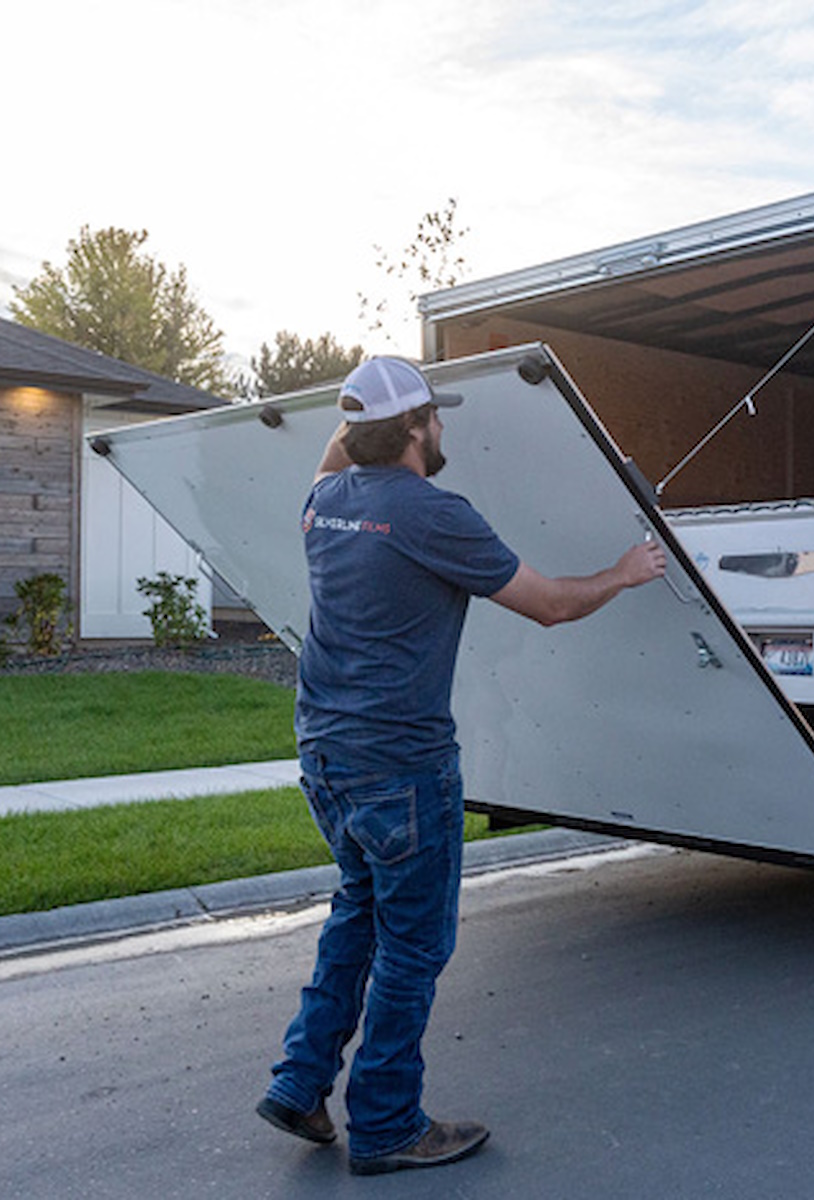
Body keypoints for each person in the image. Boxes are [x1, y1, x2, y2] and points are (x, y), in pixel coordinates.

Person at [255, 356, 665, 1176]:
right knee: (412, 946)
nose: (443, 427)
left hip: (327, 756)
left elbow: (340, 448)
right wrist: (625, 572)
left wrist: (368, 405)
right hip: (401, 765)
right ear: (413, 429)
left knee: (358, 913)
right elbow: (550, 606)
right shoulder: (432, 514)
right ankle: (386, 1124)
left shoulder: (324, 503)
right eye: (433, 416)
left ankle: (300, 1083)